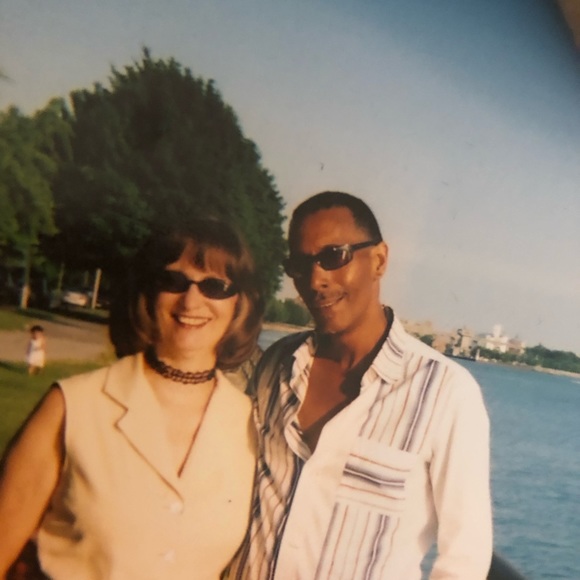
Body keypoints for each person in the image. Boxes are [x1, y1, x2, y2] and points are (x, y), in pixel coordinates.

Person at [228, 191, 492, 579]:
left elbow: (464, 559)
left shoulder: (445, 393)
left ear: (379, 260)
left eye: (334, 256)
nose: (316, 279)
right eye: (300, 265)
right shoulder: (277, 364)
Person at [0, 217, 263, 579]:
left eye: (214, 286)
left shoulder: (252, 424)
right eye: (173, 281)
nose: (191, 300)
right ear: (148, 292)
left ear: (240, 304)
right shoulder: (72, 406)